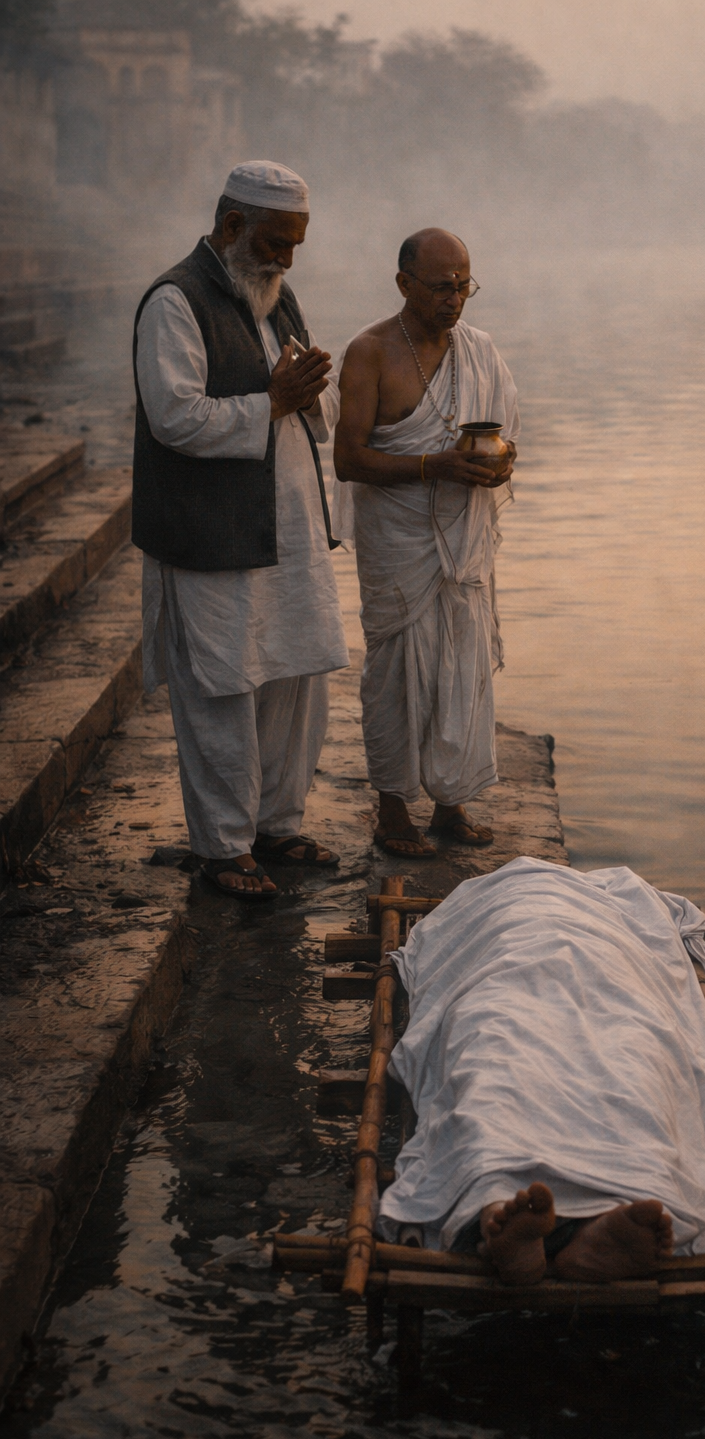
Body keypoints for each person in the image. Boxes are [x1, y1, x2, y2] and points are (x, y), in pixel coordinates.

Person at [132, 161, 349, 901]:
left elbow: (303, 406)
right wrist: (274, 399)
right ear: (232, 228)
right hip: (209, 535)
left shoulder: (277, 298)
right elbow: (176, 418)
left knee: (293, 674)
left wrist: (312, 389)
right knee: (220, 689)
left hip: (286, 526)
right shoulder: (175, 301)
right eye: (278, 243)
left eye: (297, 245)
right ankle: (225, 849)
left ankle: (275, 826)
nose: (288, 260)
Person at [377, 858, 705, 1284]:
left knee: (501, 1068)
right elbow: (673, 945)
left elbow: (433, 954)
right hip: (519, 964)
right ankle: (612, 1204)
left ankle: (498, 1208)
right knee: (616, 1065)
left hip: (574, 967)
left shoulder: (476, 900)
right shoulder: (619, 899)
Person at [334, 228, 519, 859]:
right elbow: (348, 460)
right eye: (441, 286)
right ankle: (391, 811)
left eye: (464, 284)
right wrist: (431, 467)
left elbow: (509, 437)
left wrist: (498, 466)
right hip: (398, 545)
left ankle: (451, 802)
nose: (455, 298)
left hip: (463, 545)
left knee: (461, 665)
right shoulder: (369, 352)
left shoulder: (481, 351)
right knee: (396, 673)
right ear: (404, 284)